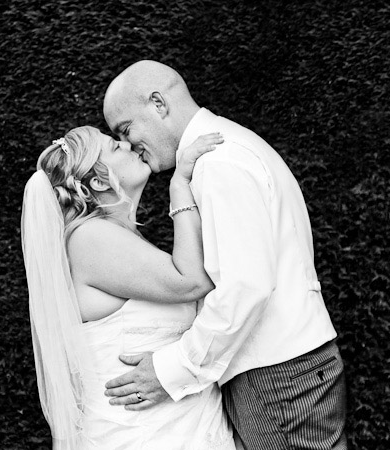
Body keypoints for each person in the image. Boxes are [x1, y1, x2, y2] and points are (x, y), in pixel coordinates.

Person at [101, 60, 346, 449]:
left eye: (126, 130)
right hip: (286, 371)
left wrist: (172, 371)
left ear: (158, 103)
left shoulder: (219, 162)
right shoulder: (226, 148)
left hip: (277, 377)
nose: (129, 147)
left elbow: (245, 287)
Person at [21, 125, 235, 449]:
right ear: (99, 181)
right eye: (114, 146)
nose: (127, 144)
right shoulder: (90, 238)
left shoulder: (117, 238)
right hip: (139, 436)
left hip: (184, 428)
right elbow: (191, 281)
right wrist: (179, 188)